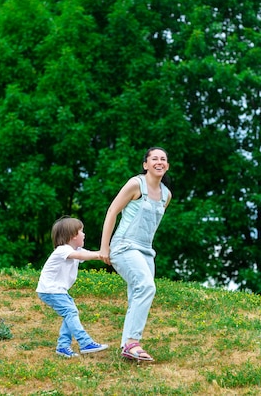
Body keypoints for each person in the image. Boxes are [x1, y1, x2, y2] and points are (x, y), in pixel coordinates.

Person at [100, 147, 172, 362]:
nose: (159, 162)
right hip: (124, 245)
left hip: (146, 251)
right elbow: (112, 211)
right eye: (154, 159)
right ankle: (133, 342)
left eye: (163, 159)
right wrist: (105, 247)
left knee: (137, 295)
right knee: (147, 286)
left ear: (167, 166)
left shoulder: (166, 195)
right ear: (145, 164)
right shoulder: (135, 184)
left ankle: (126, 347)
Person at [36, 216, 111, 358]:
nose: (84, 234)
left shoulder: (75, 250)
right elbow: (83, 255)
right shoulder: (63, 250)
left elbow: (90, 254)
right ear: (72, 236)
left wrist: (107, 254)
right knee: (70, 313)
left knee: (70, 313)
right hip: (51, 290)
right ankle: (85, 342)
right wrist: (101, 255)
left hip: (57, 291)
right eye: (81, 231)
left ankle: (63, 346)